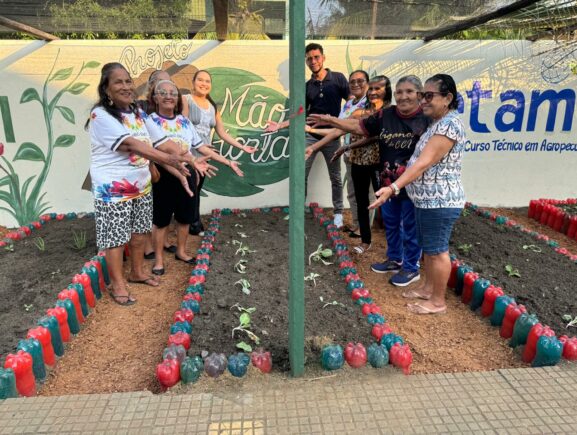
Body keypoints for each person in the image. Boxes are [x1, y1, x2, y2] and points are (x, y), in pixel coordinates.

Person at [88, 62, 212, 306]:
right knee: (115, 239)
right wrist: (170, 159)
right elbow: (134, 145)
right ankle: (118, 284)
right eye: (118, 82)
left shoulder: (138, 113)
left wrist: (189, 160)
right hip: (113, 190)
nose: (125, 86)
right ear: (107, 89)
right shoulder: (100, 115)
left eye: (128, 81)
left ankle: (137, 271)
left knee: (139, 232)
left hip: (141, 185)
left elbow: (162, 139)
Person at [309, 75, 429, 287]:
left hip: (414, 184)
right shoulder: (387, 115)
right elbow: (359, 127)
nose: (403, 96)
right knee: (391, 222)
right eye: (400, 92)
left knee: (410, 226)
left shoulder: (427, 119)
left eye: (409, 92)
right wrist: (331, 120)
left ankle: (411, 268)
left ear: (419, 95)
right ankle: (394, 259)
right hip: (388, 181)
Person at [369, 74, 466, 315]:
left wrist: (393, 187)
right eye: (423, 95)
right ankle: (427, 288)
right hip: (425, 201)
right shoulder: (438, 123)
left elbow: (423, 163)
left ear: (448, 98)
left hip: (440, 201)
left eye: (429, 96)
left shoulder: (450, 125)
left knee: (437, 251)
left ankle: (437, 301)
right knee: (429, 250)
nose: (424, 101)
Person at [148, 79, 243, 275]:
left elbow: (200, 147)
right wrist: (191, 159)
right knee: (161, 220)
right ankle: (158, 260)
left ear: (177, 99)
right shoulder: (149, 121)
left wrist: (227, 162)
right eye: (163, 93)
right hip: (164, 175)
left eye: (172, 93)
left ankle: (181, 252)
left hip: (189, 172)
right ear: (155, 97)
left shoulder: (184, 122)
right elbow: (163, 149)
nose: (168, 96)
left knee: (185, 217)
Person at [267, 43, 349, 228]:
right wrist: (280, 125)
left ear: (323, 58)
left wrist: (343, 123)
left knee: (335, 177)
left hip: (332, 136)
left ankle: (338, 213)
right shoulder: (307, 86)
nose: (313, 61)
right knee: (300, 173)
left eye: (316, 57)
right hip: (310, 135)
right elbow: (299, 113)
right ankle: (298, 211)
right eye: (309, 58)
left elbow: (352, 102)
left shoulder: (338, 79)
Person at [309, 75, 392, 254]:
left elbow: (374, 136)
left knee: (387, 203)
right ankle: (365, 241)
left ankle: (395, 246)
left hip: (381, 164)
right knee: (361, 201)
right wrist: (315, 142)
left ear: (387, 91)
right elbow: (339, 129)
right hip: (358, 160)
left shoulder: (390, 112)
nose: (373, 92)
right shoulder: (358, 112)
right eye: (372, 88)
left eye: (378, 88)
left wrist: (347, 144)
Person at [182, 69, 257, 236]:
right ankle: (193, 223)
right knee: (191, 187)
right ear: (193, 83)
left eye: (207, 81)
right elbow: (183, 128)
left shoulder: (212, 107)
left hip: (206, 154)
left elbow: (222, 133)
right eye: (200, 80)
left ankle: (193, 222)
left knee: (197, 188)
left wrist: (242, 147)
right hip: (189, 153)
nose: (203, 84)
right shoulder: (185, 100)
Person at [307, 70, 369, 238]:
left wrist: (328, 120)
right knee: (353, 192)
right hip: (350, 152)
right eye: (352, 81)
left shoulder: (368, 104)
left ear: (368, 83)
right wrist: (312, 130)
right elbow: (338, 130)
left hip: (366, 155)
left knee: (362, 193)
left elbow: (351, 127)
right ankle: (359, 227)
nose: (355, 84)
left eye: (360, 81)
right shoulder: (349, 105)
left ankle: (363, 229)